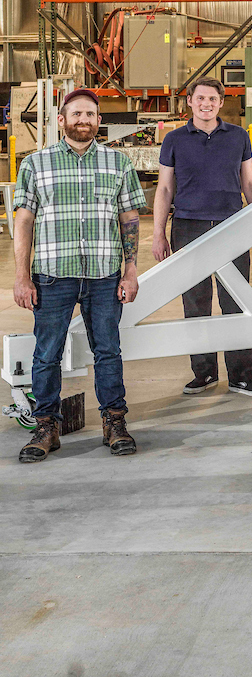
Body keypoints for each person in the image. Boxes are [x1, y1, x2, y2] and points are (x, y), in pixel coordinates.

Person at [12, 88, 146, 463]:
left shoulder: (118, 163)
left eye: (90, 114)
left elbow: (129, 218)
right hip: (53, 275)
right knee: (46, 353)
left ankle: (114, 422)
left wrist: (131, 269)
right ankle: (46, 427)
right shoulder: (35, 164)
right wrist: (22, 276)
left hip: (104, 274)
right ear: (61, 120)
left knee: (108, 351)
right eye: (76, 114)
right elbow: (24, 221)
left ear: (98, 120)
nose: (83, 120)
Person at [153, 77, 252, 398]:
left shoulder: (238, 137)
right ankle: (203, 373)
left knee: (237, 302)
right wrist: (158, 233)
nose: (207, 104)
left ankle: (242, 376)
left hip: (232, 226)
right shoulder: (174, 139)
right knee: (195, 302)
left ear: (221, 103)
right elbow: (165, 189)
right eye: (200, 98)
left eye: (213, 99)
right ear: (189, 101)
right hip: (188, 227)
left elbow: (251, 184)